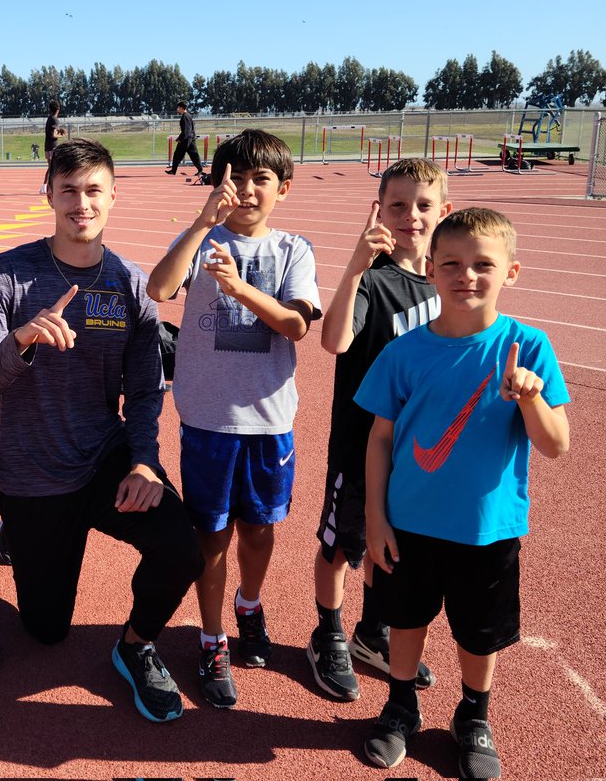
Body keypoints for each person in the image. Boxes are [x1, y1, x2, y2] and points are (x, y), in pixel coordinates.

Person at [0, 138, 204, 723]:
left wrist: (145, 462)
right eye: (68, 190)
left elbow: (145, 390)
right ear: (49, 193)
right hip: (32, 472)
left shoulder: (129, 285)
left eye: (93, 190)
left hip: (104, 457)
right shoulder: (9, 274)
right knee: (45, 631)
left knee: (181, 547)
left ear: (113, 197)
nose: (81, 203)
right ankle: (17, 533)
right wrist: (20, 341)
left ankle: (135, 646)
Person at [357, 207, 569, 777]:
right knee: (406, 621)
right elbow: (379, 440)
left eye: (483, 264)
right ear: (430, 269)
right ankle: (401, 705)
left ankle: (473, 716)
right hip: (408, 524)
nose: (466, 275)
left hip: (487, 527)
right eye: (451, 263)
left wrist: (530, 397)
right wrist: (374, 519)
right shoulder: (404, 351)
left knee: (479, 633)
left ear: (512, 271)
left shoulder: (528, 346)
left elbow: (556, 445)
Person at [147, 129, 321, 710]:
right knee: (210, 534)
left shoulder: (293, 249)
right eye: (235, 177)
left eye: (260, 179)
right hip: (209, 421)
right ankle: (212, 636)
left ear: (284, 189)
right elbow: (159, 287)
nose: (246, 190)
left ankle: (250, 603)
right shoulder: (202, 240)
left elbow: (295, 325)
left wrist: (238, 287)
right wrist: (199, 224)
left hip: (269, 419)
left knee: (261, 528)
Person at [308, 158, 452, 702]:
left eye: (422, 205)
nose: (410, 216)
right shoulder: (374, 280)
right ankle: (329, 631)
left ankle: (374, 631)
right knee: (341, 546)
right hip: (361, 443)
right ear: (379, 210)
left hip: (420, 454)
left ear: (444, 211)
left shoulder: (448, 283)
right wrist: (355, 265)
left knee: (391, 547)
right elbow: (335, 341)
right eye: (398, 205)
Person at [164, 102, 204, 181]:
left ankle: (173, 170)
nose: (177, 109)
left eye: (178, 107)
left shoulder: (185, 116)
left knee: (177, 154)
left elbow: (186, 130)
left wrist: (180, 139)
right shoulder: (188, 115)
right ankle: (200, 170)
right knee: (194, 154)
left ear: (182, 108)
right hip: (191, 138)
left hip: (186, 139)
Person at [39, 100, 66, 194]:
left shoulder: (49, 118)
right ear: (58, 109)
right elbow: (53, 135)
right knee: (55, 167)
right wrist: (61, 135)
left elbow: (51, 132)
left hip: (47, 146)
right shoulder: (55, 120)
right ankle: (48, 186)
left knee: (51, 167)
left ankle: (46, 186)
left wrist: (59, 131)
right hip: (53, 146)